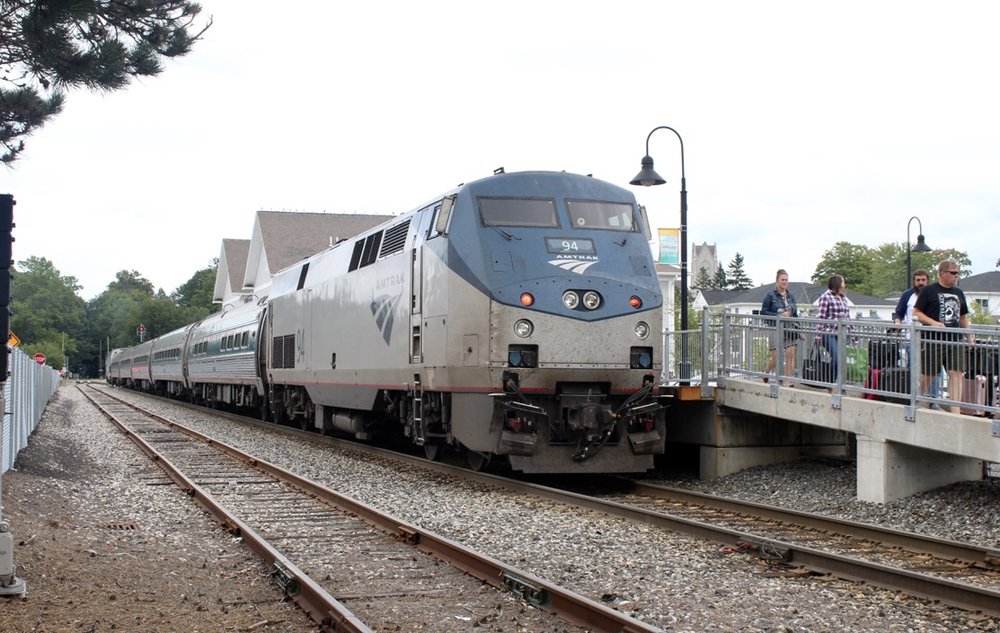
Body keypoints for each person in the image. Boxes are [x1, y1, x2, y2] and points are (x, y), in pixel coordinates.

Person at [913, 260, 971, 413]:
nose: (956, 276)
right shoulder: (929, 291)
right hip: (934, 339)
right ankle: (917, 399)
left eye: (957, 272)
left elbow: (963, 316)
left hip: (955, 339)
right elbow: (916, 313)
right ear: (943, 273)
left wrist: (969, 336)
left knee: (956, 373)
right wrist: (933, 323)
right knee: (929, 374)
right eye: (953, 272)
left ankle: (956, 411)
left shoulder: (958, 292)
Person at [892, 269, 939, 397]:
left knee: (933, 369)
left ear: (928, 281)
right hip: (911, 338)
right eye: (918, 280)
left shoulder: (933, 294)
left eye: (923, 280)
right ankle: (913, 395)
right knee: (914, 367)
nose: (920, 283)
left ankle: (933, 399)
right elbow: (899, 312)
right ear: (914, 281)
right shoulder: (907, 295)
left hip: (930, 338)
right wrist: (897, 322)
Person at [760, 269, 799, 386]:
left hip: (790, 327)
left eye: (786, 280)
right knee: (776, 356)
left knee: (790, 353)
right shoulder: (770, 295)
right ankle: (766, 373)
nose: (784, 282)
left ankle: (787, 381)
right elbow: (764, 312)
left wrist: (800, 330)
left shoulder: (791, 295)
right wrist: (779, 315)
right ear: (777, 281)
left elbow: (795, 314)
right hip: (775, 327)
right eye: (782, 280)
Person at [816, 274, 851, 387]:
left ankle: (833, 383)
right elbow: (821, 316)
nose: (844, 285)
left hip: (841, 334)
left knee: (839, 358)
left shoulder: (843, 298)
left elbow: (847, 317)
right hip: (829, 333)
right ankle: (831, 384)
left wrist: (853, 334)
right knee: (837, 357)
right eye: (843, 282)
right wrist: (818, 334)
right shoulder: (826, 297)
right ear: (838, 284)